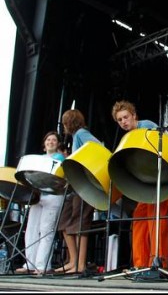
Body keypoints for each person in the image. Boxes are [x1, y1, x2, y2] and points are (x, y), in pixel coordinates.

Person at [111, 100, 168, 270]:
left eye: (126, 117)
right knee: (139, 217)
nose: (124, 122)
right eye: (120, 120)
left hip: (162, 180)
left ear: (134, 116)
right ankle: (140, 265)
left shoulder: (146, 126)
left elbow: (164, 147)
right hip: (147, 183)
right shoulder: (127, 138)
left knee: (156, 218)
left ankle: (159, 262)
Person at [15, 131, 66, 275]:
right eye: (48, 140)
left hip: (53, 195)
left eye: (54, 140)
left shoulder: (60, 159)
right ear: (44, 144)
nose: (51, 142)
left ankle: (42, 265)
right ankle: (29, 264)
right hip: (38, 195)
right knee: (31, 229)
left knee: (46, 230)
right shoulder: (38, 159)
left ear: (58, 144)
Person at [55, 109, 98, 274]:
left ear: (69, 122)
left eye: (65, 123)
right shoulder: (76, 137)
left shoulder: (81, 133)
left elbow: (97, 146)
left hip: (86, 185)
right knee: (65, 223)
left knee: (80, 223)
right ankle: (72, 261)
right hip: (76, 185)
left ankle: (80, 265)